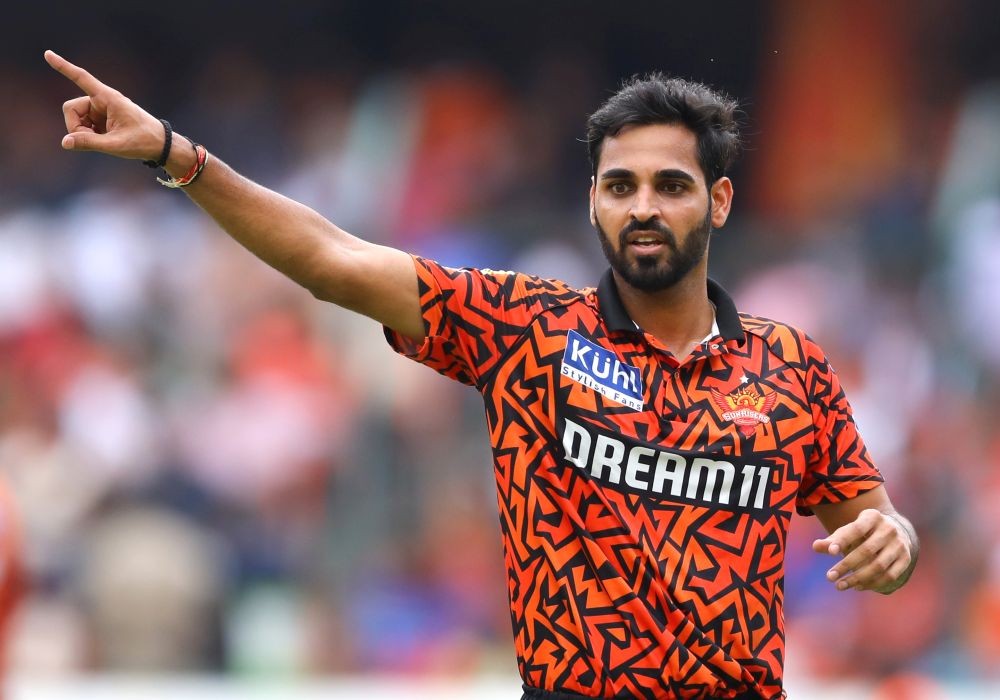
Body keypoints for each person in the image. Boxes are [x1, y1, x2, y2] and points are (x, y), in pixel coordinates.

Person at [45, 50, 918, 700]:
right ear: (593, 202)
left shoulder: (791, 365)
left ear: (718, 201)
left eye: (670, 185)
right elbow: (330, 258)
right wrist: (173, 152)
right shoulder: (527, 329)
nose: (643, 207)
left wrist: (895, 545)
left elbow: (877, 538)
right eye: (619, 186)